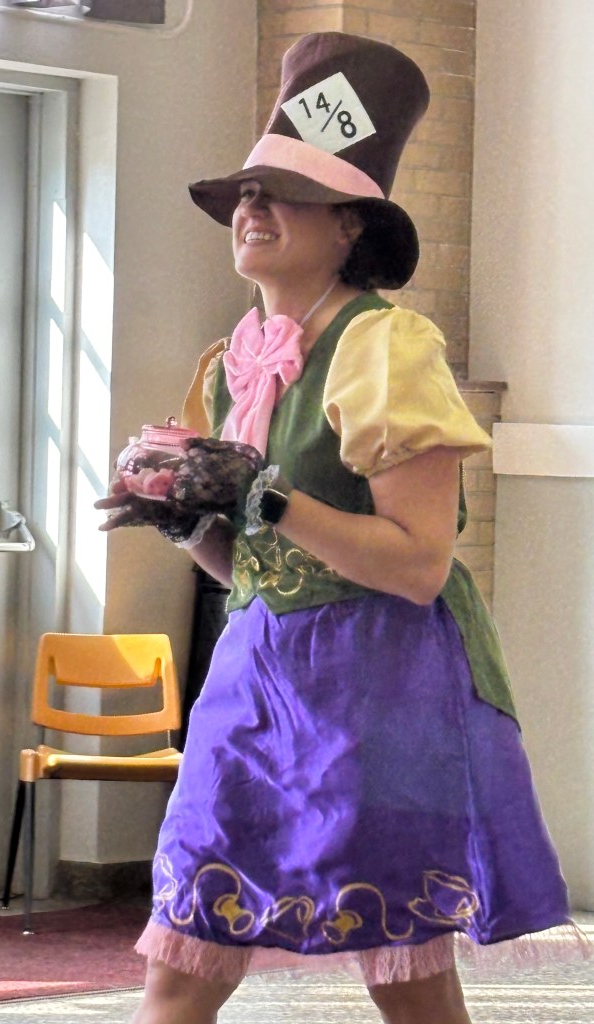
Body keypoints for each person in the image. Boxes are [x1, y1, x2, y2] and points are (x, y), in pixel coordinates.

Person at [96, 32, 580, 1024]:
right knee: (183, 953)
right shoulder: (232, 362)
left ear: (350, 225)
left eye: (283, 193)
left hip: (379, 685)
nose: (252, 208)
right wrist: (185, 522)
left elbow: (418, 566)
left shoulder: (387, 348)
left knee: (402, 965)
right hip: (255, 674)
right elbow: (252, 569)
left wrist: (263, 492)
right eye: (247, 192)